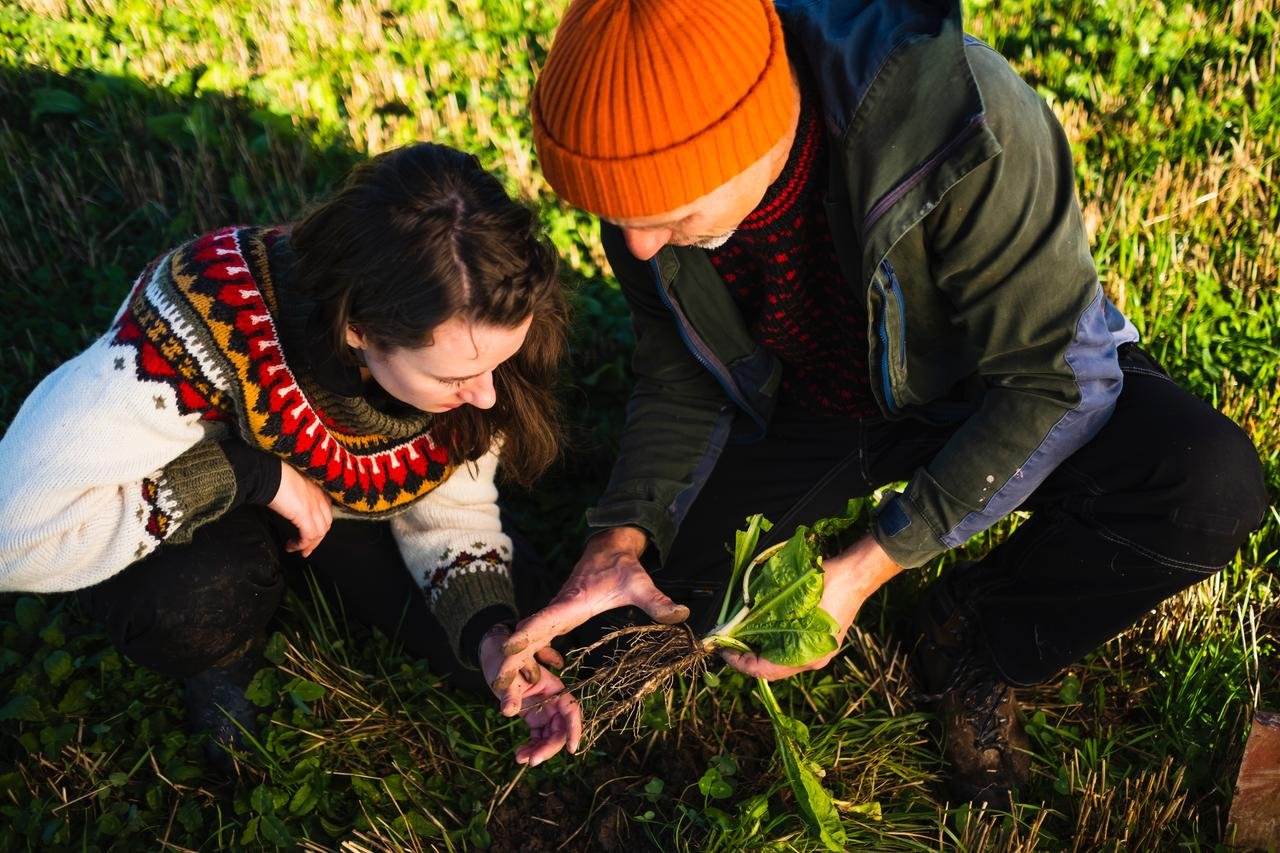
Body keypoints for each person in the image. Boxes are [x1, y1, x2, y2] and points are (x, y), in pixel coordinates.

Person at [494, 0, 1268, 808]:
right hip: (817, 401)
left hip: (987, 382)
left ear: (756, 132)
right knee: (642, 613)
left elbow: (1051, 382)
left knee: (1205, 487)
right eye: (616, 219)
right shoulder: (646, 191)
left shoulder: (961, 122)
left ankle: (975, 633)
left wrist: (870, 562)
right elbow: (678, 369)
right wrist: (621, 535)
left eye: (669, 216)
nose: (639, 245)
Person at [0, 142, 581, 770]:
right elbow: (14, 535)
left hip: (342, 511)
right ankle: (219, 657)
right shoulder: (201, 321)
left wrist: (488, 632)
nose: (486, 395)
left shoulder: (474, 328)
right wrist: (251, 473)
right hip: (207, 503)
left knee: (507, 647)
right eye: (455, 377)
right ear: (359, 329)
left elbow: (453, 509)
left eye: (497, 363)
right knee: (189, 602)